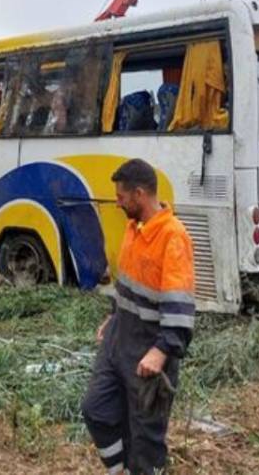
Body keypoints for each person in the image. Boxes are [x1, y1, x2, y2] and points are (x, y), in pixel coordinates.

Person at [81, 158, 195, 475]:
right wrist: (114, 315)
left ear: (140, 194)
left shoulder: (173, 237)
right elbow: (130, 284)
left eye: (121, 197)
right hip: (120, 339)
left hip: (149, 348)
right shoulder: (135, 228)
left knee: (145, 436)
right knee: (96, 409)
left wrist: (161, 351)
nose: (117, 203)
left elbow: (180, 305)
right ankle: (119, 470)